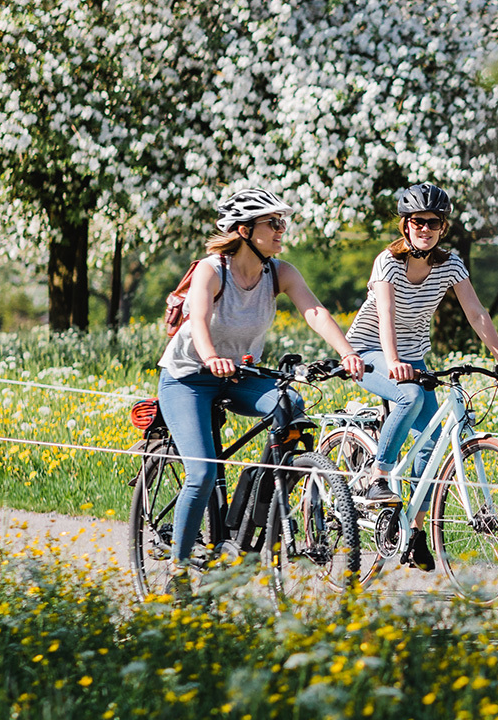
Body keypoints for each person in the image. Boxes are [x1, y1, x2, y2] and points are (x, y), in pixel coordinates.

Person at [156, 187, 365, 574]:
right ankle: (178, 567)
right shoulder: (211, 270)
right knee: (201, 472)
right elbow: (198, 320)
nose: (281, 229)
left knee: (291, 406)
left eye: (282, 222)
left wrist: (346, 351)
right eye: (273, 223)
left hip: (238, 376)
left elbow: (314, 311)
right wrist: (211, 358)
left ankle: (254, 512)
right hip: (187, 377)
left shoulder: (279, 272)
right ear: (244, 230)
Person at [343, 183, 498, 570]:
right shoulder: (387, 262)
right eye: (418, 221)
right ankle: (379, 475)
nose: (426, 228)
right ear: (405, 224)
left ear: (443, 227)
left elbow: (476, 313)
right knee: (408, 397)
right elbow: (386, 315)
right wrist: (392, 361)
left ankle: (413, 533)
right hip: (369, 352)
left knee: (430, 446)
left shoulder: (451, 265)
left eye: (435, 222)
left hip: (413, 359)